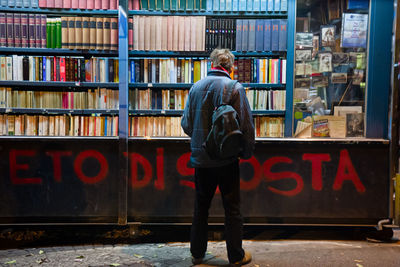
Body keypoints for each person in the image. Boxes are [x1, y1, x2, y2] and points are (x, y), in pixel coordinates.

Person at [181, 48, 255, 266]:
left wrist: (201, 138)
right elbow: (246, 126)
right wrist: (246, 152)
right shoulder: (234, 88)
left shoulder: (195, 87)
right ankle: (235, 256)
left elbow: (186, 124)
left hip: (201, 160)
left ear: (211, 64)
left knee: (200, 206)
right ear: (230, 67)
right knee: (232, 208)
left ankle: (197, 254)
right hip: (227, 159)